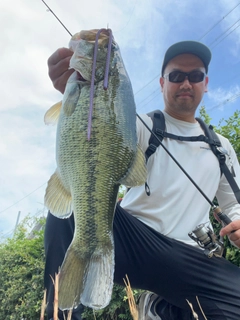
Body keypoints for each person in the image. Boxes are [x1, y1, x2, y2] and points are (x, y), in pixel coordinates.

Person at [44, 40, 240, 320]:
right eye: (176, 76)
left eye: (195, 76)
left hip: (192, 258)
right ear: (162, 83)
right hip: (133, 245)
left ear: (205, 83)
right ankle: (58, 314)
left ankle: (164, 306)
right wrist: (81, 96)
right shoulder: (135, 124)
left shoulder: (222, 146)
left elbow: (233, 203)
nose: (186, 82)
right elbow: (100, 131)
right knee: (72, 208)